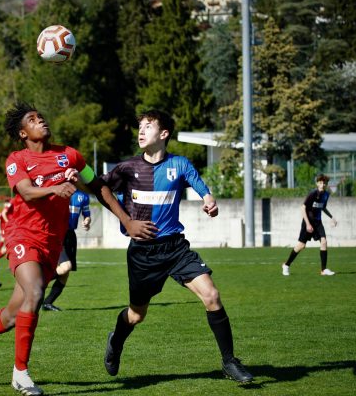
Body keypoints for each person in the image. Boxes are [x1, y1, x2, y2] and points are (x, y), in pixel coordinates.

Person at [0, 102, 154, 396]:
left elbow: (98, 186)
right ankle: (20, 374)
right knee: (35, 292)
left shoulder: (69, 155)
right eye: (33, 120)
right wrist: (55, 187)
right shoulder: (17, 159)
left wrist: (127, 220)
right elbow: (25, 191)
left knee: (13, 315)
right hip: (22, 235)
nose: (41, 121)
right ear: (23, 133)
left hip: (52, 242)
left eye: (41, 117)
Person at [101, 110, 254, 383]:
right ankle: (116, 341)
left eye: (148, 126)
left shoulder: (180, 165)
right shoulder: (127, 168)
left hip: (174, 248)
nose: (141, 130)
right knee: (136, 315)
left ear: (164, 134)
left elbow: (200, 186)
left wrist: (208, 199)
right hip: (143, 253)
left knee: (212, 295)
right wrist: (125, 220)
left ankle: (229, 362)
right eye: (140, 126)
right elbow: (100, 188)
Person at [42, 189, 91, 312]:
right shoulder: (57, 192)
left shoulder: (83, 196)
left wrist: (87, 221)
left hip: (70, 235)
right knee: (65, 267)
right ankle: (38, 282)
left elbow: (87, 214)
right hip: (57, 234)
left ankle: (47, 303)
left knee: (64, 274)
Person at [282, 174, 338, 276]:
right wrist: (307, 224)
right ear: (317, 183)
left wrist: (332, 217)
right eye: (320, 183)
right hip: (308, 222)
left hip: (318, 222)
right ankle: (286, 265)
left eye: (324, 183)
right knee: (301, 246)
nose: (322, 184)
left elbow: (323, 208)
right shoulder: (312, 194)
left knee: (324, 242)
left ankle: (323, 270)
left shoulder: (326, 195)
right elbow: (302, 208)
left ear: (326, 184)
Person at [0, 198, 13, 265]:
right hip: (6, 229)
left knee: (9, 246)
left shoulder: (11, 211)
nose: (7, 203)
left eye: (7, 202)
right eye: (6, 202)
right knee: (8, 245)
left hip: (11, 229)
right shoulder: (2, 212)